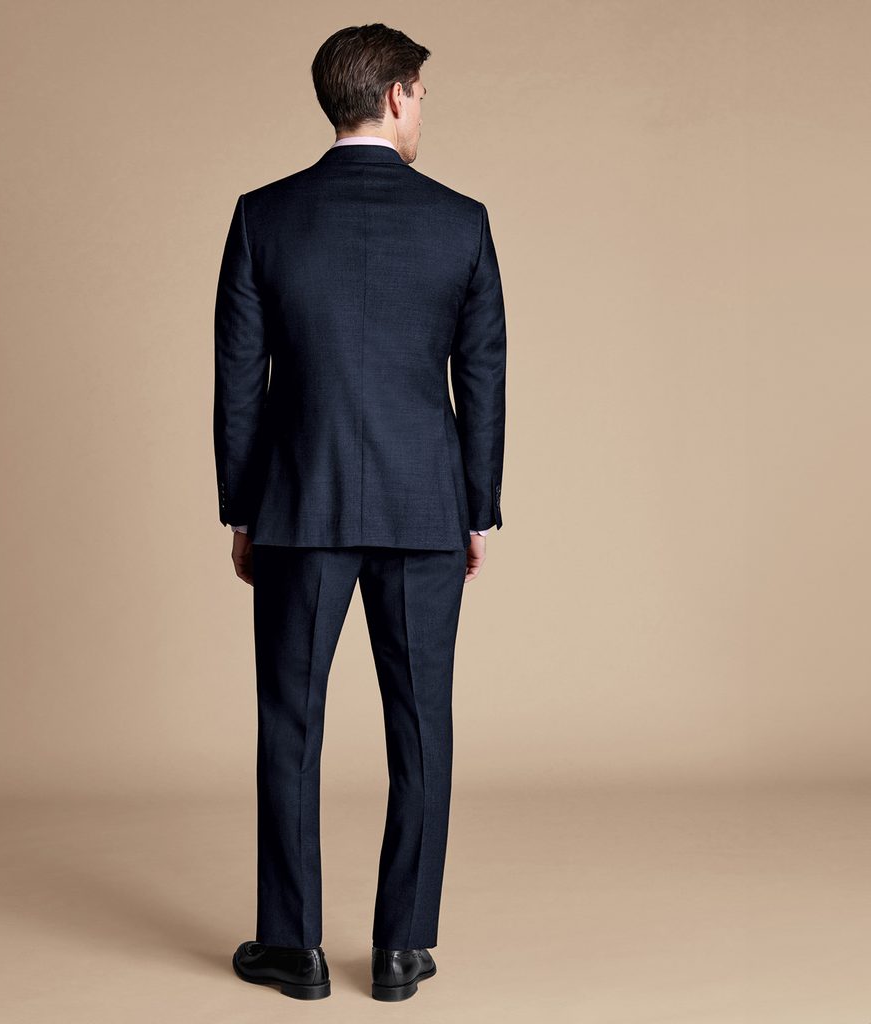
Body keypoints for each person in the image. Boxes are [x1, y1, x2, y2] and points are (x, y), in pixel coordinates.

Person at [215, 22, 506, 1002]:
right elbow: (482, 378)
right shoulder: (461, 222)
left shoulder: (263, 216)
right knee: (422, 727)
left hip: (298, 506)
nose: (422, 111)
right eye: (420, 95)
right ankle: (400, 949)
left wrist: (244, 509)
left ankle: (292, 949)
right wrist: (474, 508)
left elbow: (238, 381)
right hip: (425, 511)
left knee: (289, 724)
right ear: (393, 95)